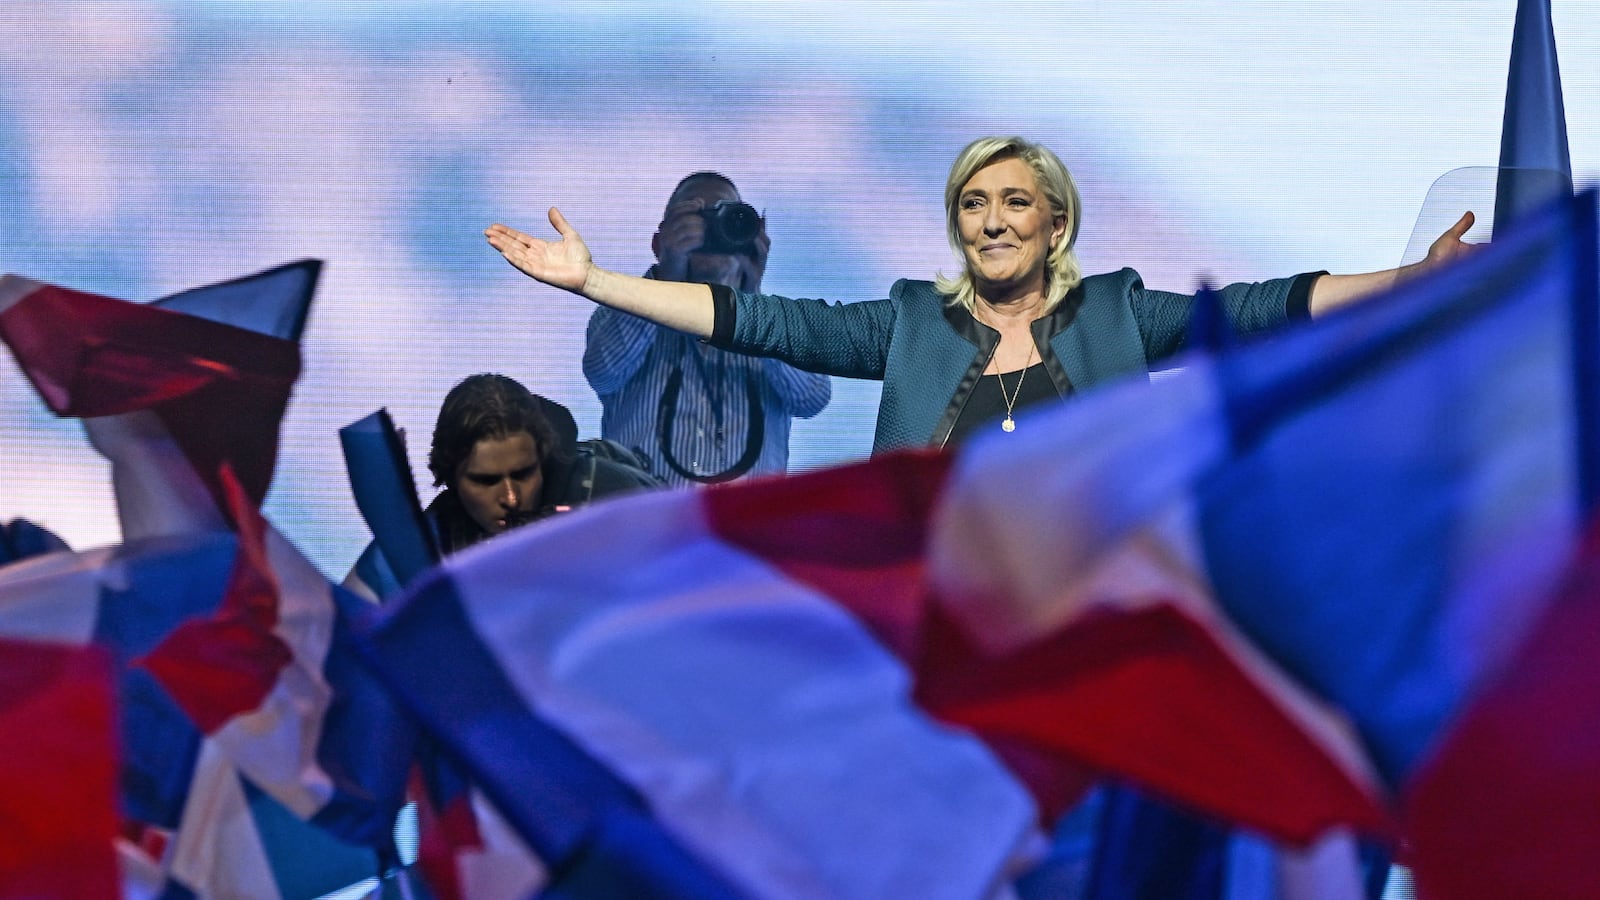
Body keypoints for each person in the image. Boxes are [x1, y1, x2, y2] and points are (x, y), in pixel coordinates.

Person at [486, 135, 1475, 452]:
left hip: (1085, 617)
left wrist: (1409, 281)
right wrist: (597, 282)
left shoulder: (1120, 316)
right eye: (972, 204)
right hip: (938, 637)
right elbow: (756, 319)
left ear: (1056, 222)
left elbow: (1265, 308)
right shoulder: (910, 323)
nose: (992, 220)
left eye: (1014, 202)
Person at [582, 172, 831, 486]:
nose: (711, 231)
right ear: (660, 242)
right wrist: (666, 279)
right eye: (695, 219)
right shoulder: (621, 309)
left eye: (727, 217)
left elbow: (812, 398)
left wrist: (752, 301)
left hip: (742, 529)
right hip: (647, 526)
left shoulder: (777, 325)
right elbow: (602, 371)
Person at [344, 373, 658, 601]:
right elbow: (348, 618)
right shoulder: (437, 533)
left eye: (523, 474)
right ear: (451, 478)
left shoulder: (612, 497)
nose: (510, 497)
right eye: (485, 481)